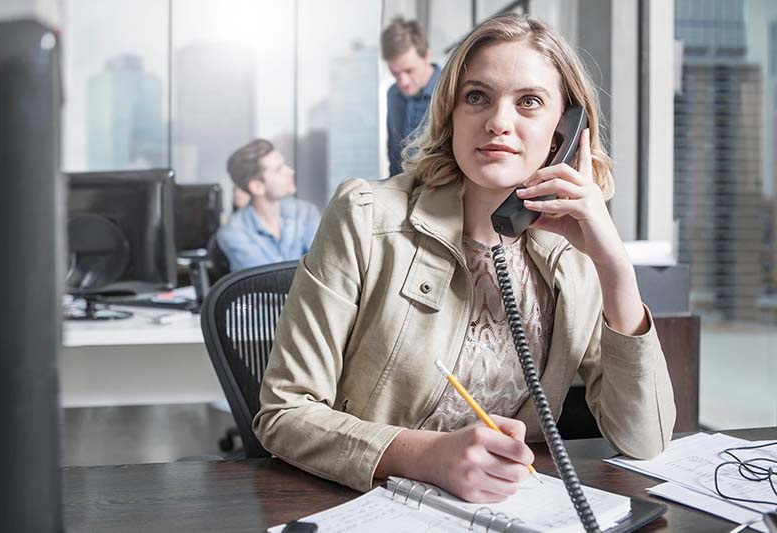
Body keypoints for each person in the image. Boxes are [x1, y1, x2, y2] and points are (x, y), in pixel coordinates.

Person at [254, 15, 676, 504]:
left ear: (566, 134)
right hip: (366, 506)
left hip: (512, 509)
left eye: (529, 102)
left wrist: (615, 269)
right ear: (450, 112)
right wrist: (428, 456)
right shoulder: (365, 218)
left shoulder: (573, 257)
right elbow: (283, 414)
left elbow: (645, 440)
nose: (499, 121)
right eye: (477, 96)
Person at [216, 139, 320, 271]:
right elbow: (269, 281)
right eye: (279, 169)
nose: (290, 171)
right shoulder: (233, 232)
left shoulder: (306, 212)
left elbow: (322, 268)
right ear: (257, 187)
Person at [381, 17, 441, 176]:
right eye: (395, 73)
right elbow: (393, 150)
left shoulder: (450, 90)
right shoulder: (393, 93)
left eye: (409, 71)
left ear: (427, 56)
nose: (403, 82)